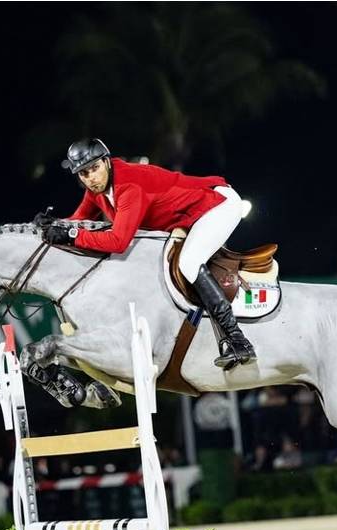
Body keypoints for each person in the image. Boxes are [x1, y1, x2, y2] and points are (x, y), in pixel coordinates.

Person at [39, 138, 255, 369]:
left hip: (218, 205)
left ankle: (237, 340)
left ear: (107, 162)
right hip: (191, 214)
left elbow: (117, 241)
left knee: (189, 263)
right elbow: (79, 221)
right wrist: (53, 225)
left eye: (94, 169)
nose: (91, 178)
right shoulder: (98, 190)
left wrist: (71, 234)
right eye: (83, 174)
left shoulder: (129, 186)